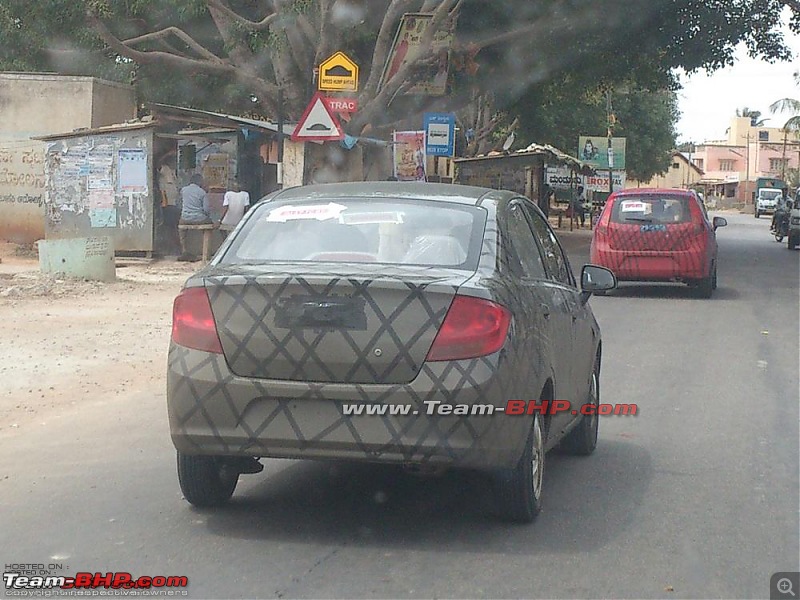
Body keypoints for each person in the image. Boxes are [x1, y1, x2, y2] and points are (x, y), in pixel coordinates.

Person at [178, 174, 213, 261]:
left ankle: (184, 250)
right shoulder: (202, 192)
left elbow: (179, 203)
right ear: (199, 182)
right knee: (210, 226)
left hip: (185, 218)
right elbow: (206, 210)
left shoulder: (183, 190)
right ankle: (206, 253)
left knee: (181, 230)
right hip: (199, 218)